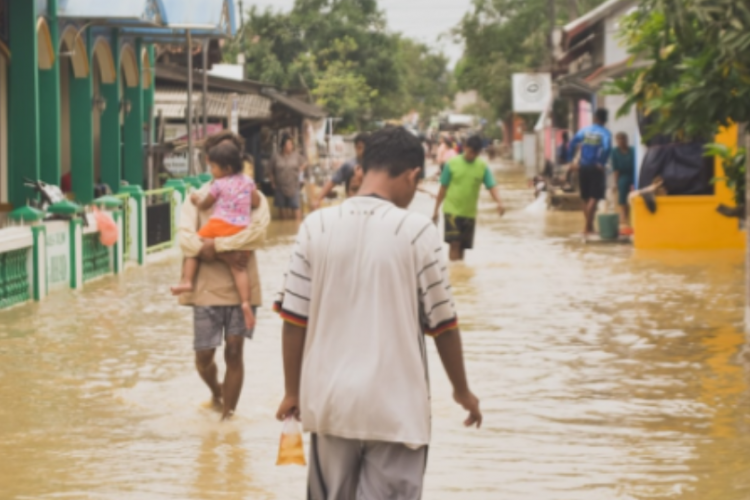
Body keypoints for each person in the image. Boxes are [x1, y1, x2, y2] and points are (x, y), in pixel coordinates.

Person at [275, 127, 481, 499]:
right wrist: (462, 391)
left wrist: (292, 391)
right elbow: (444, 326)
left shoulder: (315, 226)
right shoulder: (418, 232)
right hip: (397, 411)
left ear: (363, 167)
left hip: (330, 405)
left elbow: (293, 321)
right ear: (412, 175)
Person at [177, 132, 270, 421]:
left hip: (242, 285)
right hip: (206, 287)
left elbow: (257, 233)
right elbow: (186, 240)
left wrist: (214, 247)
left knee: (234, 350)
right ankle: (217, 392)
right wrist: (225, 252)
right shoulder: (198, 198)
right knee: (204, 355)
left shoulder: (254, 195)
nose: (211, 169)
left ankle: (228, 417)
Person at [172, 142, 261, 330]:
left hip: (220, 225)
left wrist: (196, 200)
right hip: (241, 229)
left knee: (194, 246)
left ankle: (187, 281)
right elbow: (256, 201)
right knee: (240, 269)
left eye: (213, 167)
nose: (211, 171)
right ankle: (245, 302)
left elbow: (205, 205)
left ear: (226, 168)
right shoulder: (247, 181)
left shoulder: (218, 184)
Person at [432, 135, 505, 262]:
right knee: (454, 244)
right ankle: (454, 277)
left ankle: (459, 277)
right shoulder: (452, 164)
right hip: (452, 211)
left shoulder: (482, 166)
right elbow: (443, 188)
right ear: (465, 148)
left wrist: (499, 202)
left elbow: (491, 186)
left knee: (462, 247)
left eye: (476, 153)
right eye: (471, 152)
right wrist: (436, 210)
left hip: (469, 213)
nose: (473, 155)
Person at [568, 108, 613, 235]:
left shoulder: (584, 131)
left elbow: (572, 143)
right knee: (594, 197)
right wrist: (602, 162)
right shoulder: (605, 133)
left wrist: (570, 160)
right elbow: (607, 147)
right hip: (595, 168)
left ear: (595, 118)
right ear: (605, 120)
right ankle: (587, 228)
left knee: (586, 198)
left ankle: (590, 227)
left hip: (583, 167)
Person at [311, 133, 368, 209]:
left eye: (364, 147)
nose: (362, 151)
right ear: (355, 147)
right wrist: (318, 199)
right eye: (359, 147)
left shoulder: (375, 166)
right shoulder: (349, 165)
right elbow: (332, 182)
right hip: (353, 204)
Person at [269, 134, 308, 222]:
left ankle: (297, 227)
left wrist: (300, 169)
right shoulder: (276, 157)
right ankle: (284, 229)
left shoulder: (296, 156)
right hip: (280, 186)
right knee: (282, 208)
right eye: (288, 144)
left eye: (291, 144)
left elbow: (306, 162)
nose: (290, 146)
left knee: (296, 206)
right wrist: (272, 182)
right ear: (283, 146)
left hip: (293, 185)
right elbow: (270, 170)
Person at [611, 132, 636, 234]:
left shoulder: (633, 151)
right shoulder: (615, 152)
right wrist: (615, 184)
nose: (621, 141)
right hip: (623, 175)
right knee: (622, 185)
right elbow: (616, 169)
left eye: (623, 139)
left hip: (634, 174)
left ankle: (635, 216)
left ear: (627, 140)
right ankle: (624, 215)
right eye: (619, 139)